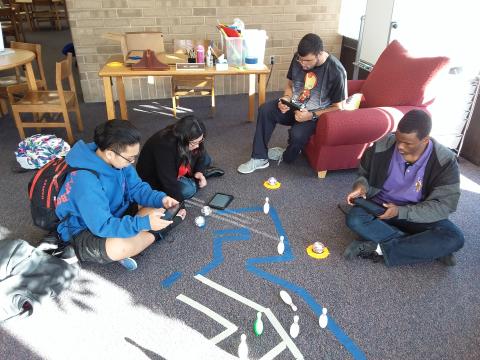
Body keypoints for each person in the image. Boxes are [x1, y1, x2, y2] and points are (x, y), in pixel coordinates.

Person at [55, 120, 183, 270]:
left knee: (158, 208)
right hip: (84, 231)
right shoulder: (85, 180)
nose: (133, 162)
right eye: (130, 158)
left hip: (115, 213)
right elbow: (102, 226)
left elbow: (137, 188)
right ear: (110, 153)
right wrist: (145, 224)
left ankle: (136, 239)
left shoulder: (117, 161)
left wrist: (161, 199)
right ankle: (157, 233)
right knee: (120, 247)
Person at [344, 110, 464, 266]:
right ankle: (426, 248)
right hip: (380, 207)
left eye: (407, 143)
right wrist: (361, 187)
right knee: (354, 219)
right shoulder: (381, 146)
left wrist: (402, 212)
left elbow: (444, 205)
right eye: (398, 138)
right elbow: (364, 174)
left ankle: (378, 248)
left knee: (454, 237)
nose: (400, 146)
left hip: (417, 212)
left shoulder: (445, 161)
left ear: (425, 140)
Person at [237, 33, 347, 174]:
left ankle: (286, 154)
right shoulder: (298, 58)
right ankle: (259, 157)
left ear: (319, 54)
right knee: (265, 110)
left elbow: (339, 108)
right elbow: (290, 84)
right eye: (301, 60)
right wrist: (286, 98)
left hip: (315, 115)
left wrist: (311, 115)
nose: (303, 64)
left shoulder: (336, 71)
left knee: (297, 137)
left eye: (307, 60)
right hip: (294, 105)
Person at [136, 115, 224, 202]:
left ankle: (198, 175)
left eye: (200, 141)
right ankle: (196, 180)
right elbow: (168, 182)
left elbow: (200, 153)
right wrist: (179, 206)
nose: (197, 145)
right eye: (194, 143)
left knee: (206, 158)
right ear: (183, 140)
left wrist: (199, 172)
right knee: (188, 189)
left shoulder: (192, 136)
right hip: (156, 179)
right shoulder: (164, 146)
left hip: (179, 164)